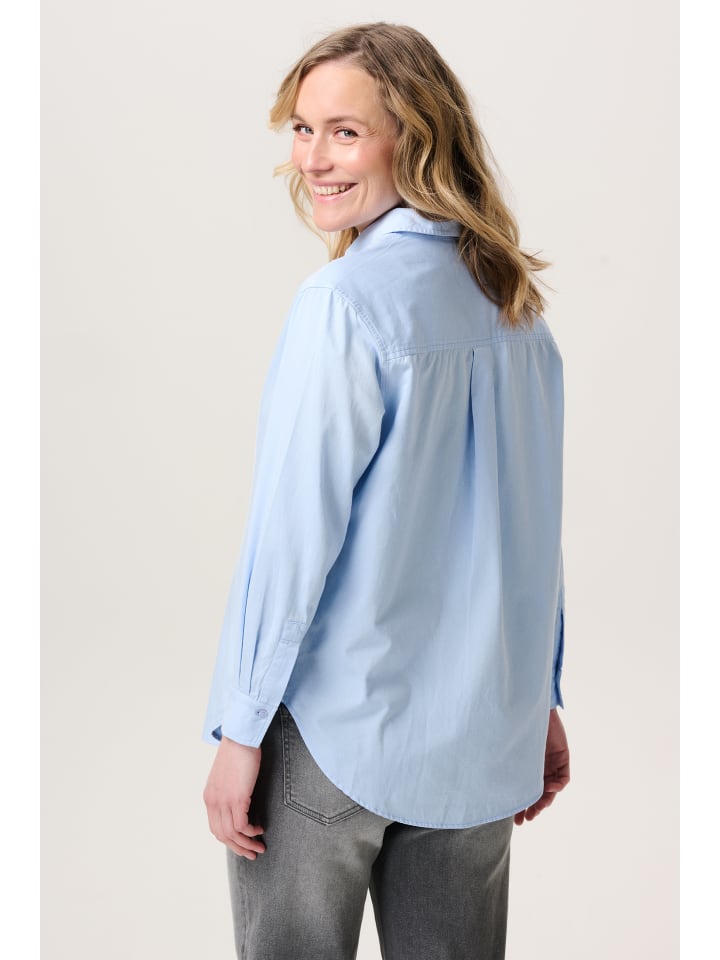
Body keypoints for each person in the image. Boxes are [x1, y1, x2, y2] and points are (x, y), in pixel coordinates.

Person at [203, 22, 569, 960]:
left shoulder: (343, 303)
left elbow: (294, 535)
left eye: (345, 132)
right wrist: (539, 697)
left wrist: (242, 729)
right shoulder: (515, 307)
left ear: (416, 135)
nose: (312, 160)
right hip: (480, 734)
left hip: (335, 730)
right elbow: (531, 528)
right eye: (303, 129)